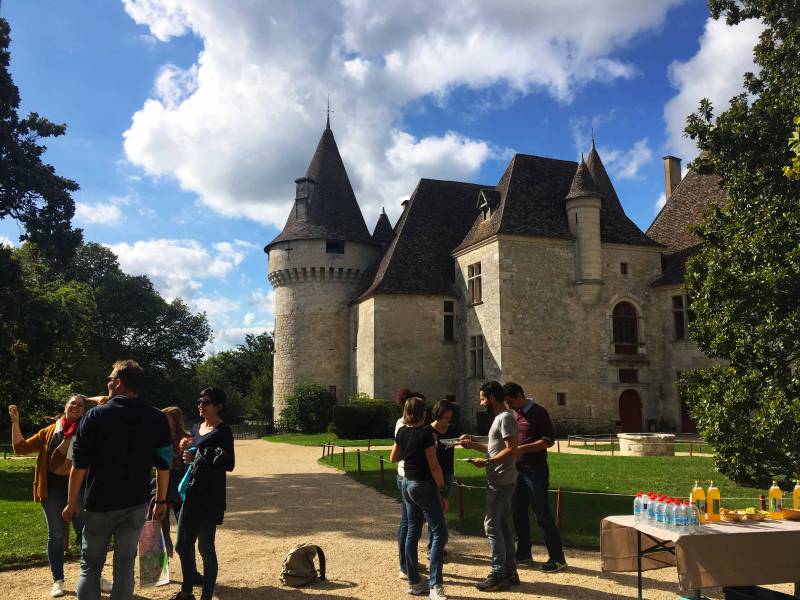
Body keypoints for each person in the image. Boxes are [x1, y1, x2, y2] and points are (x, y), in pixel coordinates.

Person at [63, 360, 173, 600]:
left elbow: (79, 466)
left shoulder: (94, 416)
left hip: (100, 503)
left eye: (110, 379)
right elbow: (164, 464)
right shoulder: (156, 417)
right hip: (136, 503)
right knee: (125, 565)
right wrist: (161, 500)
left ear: (119, 383)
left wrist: (71, 503)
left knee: (90, 565)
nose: (108, 382)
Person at [8, 395, 109, 598]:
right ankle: (58, 580)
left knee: (87, 534)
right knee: (56, 536)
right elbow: (20, 448)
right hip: (52, 491)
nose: (76, 406)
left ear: (84, 410)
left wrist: (87, 398)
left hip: (80, 490)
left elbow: (106, 400)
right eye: (72, 403)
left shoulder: (89, 428)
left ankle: (94, 576)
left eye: (80, 405)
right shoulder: (49, 431)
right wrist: (15, 422)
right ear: (65, 407)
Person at [171, 387, 235, 600]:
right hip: (191, 493)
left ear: (218, 406)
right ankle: (187, 592)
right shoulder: (196, 428)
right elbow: (192, 454)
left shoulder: (223, 431)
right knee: (182, 545)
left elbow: (229, 463)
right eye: (199, 401)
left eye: (206, 402)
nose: (201, 405)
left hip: (210, 495)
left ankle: (205, 596)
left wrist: (198, 456)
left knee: (205, 547)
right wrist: (186, 446)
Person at [460, 381, 519, 592]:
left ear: (492, 397)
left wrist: (486, 462)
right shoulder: (501, 418)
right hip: (501, 479)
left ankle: (498, 573)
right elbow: (495, 448)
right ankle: (510, 571)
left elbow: (512, 449)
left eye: (483, 398)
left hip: (500, 481)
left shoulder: (505, 418)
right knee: (503, 526)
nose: (481, 402)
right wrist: (472, 445)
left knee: (492, 526)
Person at [504, 382, 567, 572]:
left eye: (510, 402)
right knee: (518, 512)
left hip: (535, 471)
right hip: (517, 471)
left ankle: (557, 558)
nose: (509, 406)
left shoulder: (539, 412)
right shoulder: (515, 414)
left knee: (542, 513)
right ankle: (523, 552)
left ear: (519, 396)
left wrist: (523, 449)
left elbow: (548, 441)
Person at [391, 396, 448, 600]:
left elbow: (393, 457)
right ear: (424, 413)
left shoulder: (402, 432)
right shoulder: (425, 434)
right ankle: (435, 585)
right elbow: (434, 466)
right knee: (440, 533)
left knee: (412, 531)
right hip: (422, 485)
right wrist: (443, 491)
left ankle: (414, 582)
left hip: (406, 483)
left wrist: (410, 451)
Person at [393, 388, 424, 580]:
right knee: (410, 523)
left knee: (410, 521)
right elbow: (398, 453)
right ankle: (406, 566)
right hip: (409, 476)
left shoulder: (404, 425)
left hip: (405, 475)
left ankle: (408, 560)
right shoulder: (405, 426)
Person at [427, 399, 456, 559]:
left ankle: (437, 545)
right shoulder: (427, 431)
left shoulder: (452, 430)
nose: (447, 422)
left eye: (450, 418)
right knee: (434, 511)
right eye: (445, 418)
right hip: (432, 474)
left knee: (443, 508)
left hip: (448, 473)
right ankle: (433, 547)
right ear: (437, 415)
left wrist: (464, 440)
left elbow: (460, 441)